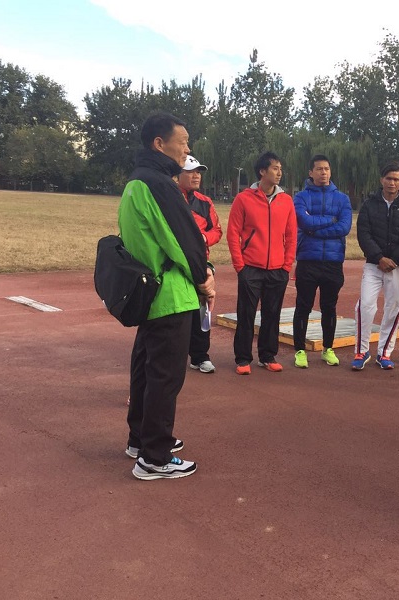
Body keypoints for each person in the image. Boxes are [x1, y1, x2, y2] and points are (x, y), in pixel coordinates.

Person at [120, 112, 215, 480]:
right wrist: (204, 278)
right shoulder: (160, 184)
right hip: (170, 295)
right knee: (165, 376)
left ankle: (140, 439)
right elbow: (185, 240)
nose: (187, 149)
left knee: (146, 369)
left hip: (149, 293)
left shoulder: (136, 181)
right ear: (159, 144)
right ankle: (154, 457)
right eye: (183, 141)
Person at [227, 152, 297, 374]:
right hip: (251, 268)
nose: (279, 173)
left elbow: (291, 235)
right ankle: (243, 359)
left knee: (272, 314)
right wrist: (240, 266)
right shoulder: (243, 199)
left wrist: (286, 266)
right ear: (262, 171)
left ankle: (267, 356)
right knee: (246, 314)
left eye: (280, 169)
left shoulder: (286, 201)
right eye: (275, 168)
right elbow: (233, 233)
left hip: (277, 270)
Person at [353, 163, 399, 370]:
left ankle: (384, 353)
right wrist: (379, 257)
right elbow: (363, 233)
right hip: (374, 265)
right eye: (389, 178)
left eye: (396, 179)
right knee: (365, 305)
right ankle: (361, 350)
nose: (392, 182)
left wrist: (394, 259)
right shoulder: (369, 204)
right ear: (382, 179)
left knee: (393, 307)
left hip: (397, 266)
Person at [292, 154, 353, 368]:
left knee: (329, 307)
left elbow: (344, 227)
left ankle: (328, 349)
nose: (323, 172)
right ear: (311, 172)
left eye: (326, 169)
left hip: (333, 262)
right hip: (308, 260)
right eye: (319, 169)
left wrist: (314, 230)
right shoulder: (301, 197)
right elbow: (303, 221)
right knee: (303, 306)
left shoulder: (343, 199)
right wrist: (330, 221)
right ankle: (300, 350)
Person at [177, 155, 222, 374]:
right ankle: (175, 356)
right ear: (178, 175)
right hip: (176, 264)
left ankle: (200, 356)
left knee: (203, 309)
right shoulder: (171, 198)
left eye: (198, 172)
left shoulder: (205, 202)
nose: (196, 176)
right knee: (179, 312)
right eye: (190, 172)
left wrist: (203, 238)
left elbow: (217, 231)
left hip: (200, 263)